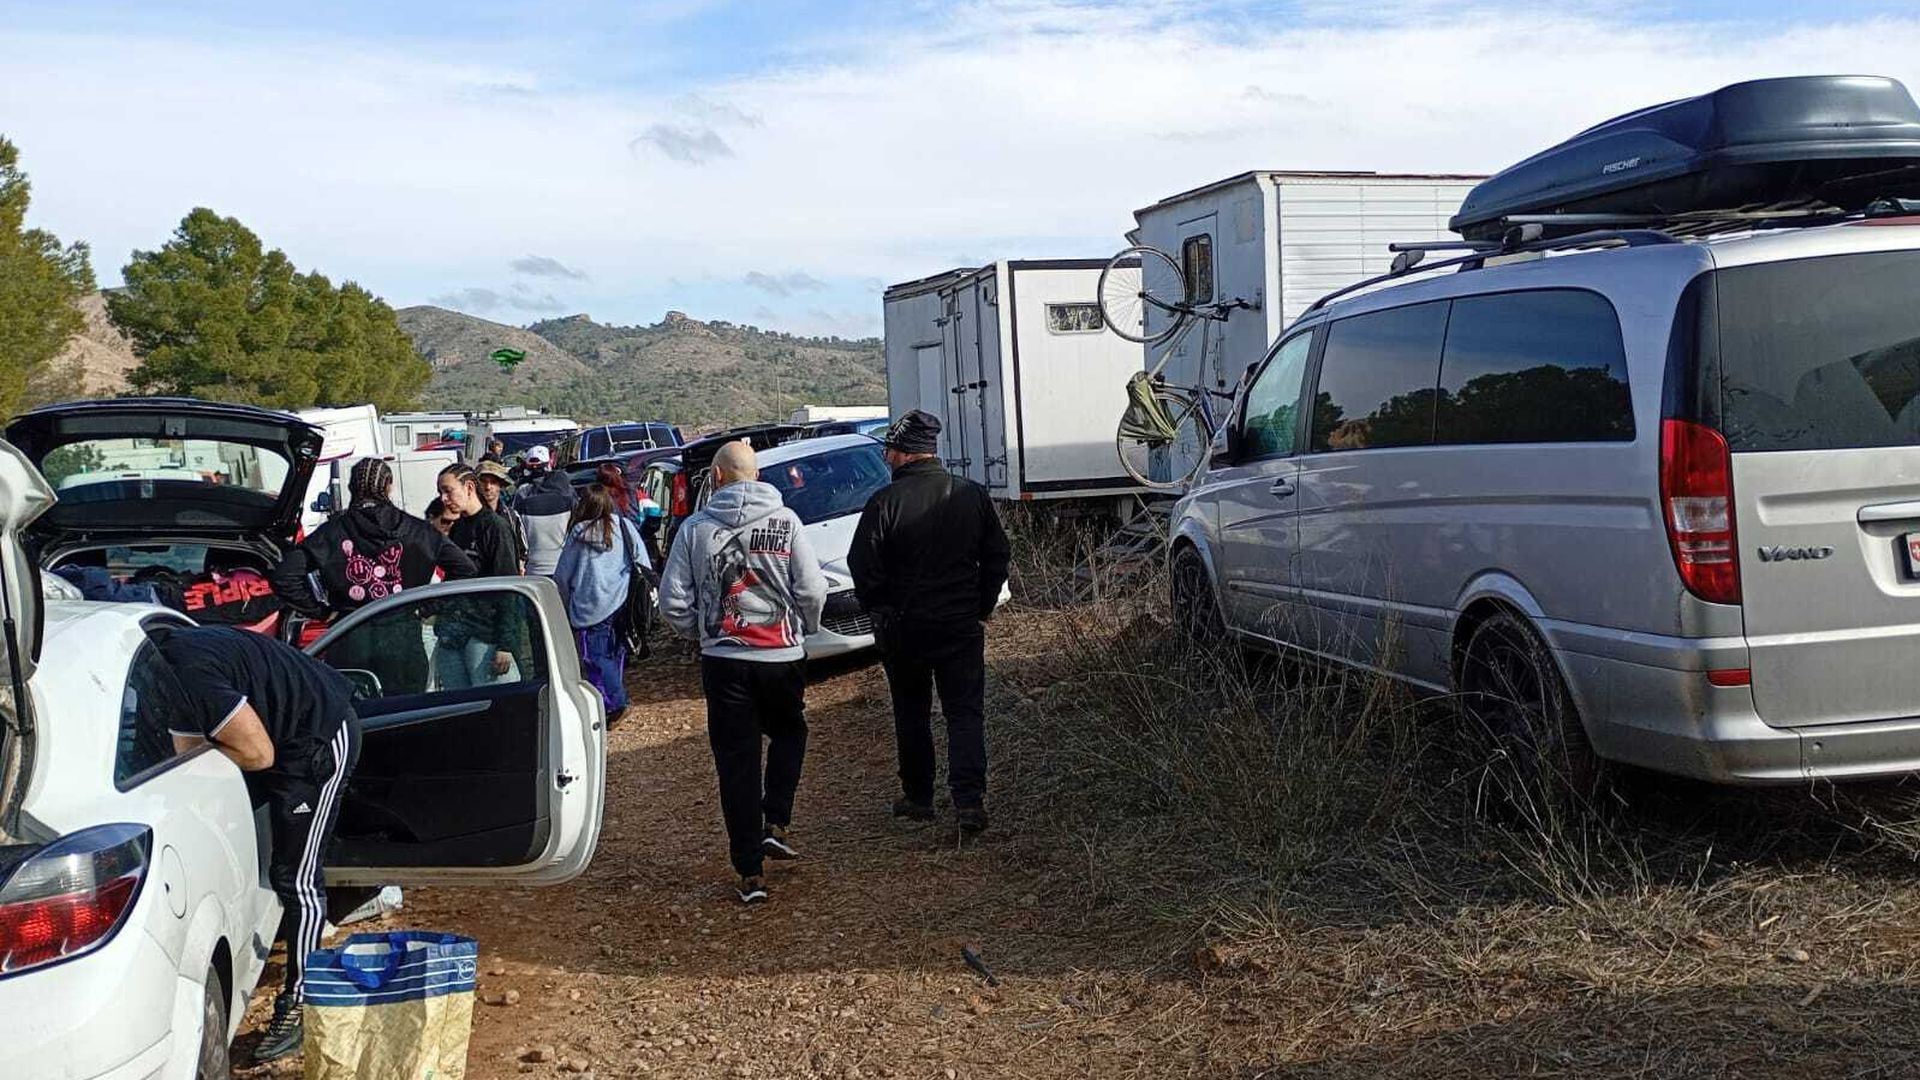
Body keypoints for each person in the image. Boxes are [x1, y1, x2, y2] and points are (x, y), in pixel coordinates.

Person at [149, 624, 361, 1062]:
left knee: (297, 877)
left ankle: (302, 1003)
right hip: (280, 735)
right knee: (283, 860)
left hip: (317, 737)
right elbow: (185, 748)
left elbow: (259, 755)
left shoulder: (189, 677)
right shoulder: (169, 661)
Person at [660, 441, 827, 904]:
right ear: (756, 476)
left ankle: (750, 872)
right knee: (791, 732)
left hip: (725, 661)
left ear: (715, 479)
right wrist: (802, 628)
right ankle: (776, 818)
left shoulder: (696, 529)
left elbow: (671, 600)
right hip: (781, 657)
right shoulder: (787, 521)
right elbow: (812, 588)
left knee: (736, 762)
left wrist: (701, 632)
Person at [850, 410, 1010, 835]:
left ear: (902, 454)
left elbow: (862, 567)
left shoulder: (883, 503)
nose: (886, 456)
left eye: (889, 449)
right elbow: (998, 555)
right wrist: (981, 605)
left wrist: (881, 610)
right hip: (960, 624)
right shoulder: (971, 495)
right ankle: (969, 801)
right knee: (964, 712)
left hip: (905, 629)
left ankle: (919, 796)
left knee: (911, 712)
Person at [268, 458, 476, 692]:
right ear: (389, 486)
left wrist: (323, 611)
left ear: (352, 488)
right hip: (403, 641)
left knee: (359, 719)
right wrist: (428, 606)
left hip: (348, 639)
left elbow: (283, 576)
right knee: (406, 718)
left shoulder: (333, 532)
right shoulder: (419, 531)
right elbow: (465, 569)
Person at [553, 485, 648, 725]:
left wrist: (562, 605)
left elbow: (563, 576)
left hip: (590, 606)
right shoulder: (624, 526)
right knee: (616, 653)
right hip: (623, 601)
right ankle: (611, 699)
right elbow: (643, 561)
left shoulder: (577, 533)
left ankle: (615, 701)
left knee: (595, 656)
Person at [435, 463, 528, 687]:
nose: (444, 499)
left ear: (468, 487)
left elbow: (508, 587)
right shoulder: (458, 528)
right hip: (456, 632)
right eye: (440, 492)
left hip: (487, 635)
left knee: (497, 708)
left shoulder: (495, 527)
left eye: (448, 491)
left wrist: (506, 644)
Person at [515, 445, 577, 576]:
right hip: (563, 567)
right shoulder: (568, 493)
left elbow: (517, 531)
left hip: (533, 569)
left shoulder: (523, 493)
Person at [476, 460, 530, 570]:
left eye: (493, 482)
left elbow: (523, 550)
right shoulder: (467, 517)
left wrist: (520, 563)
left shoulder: (512, 517)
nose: (488, 487)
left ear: (500, 485)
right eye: (484, 481)